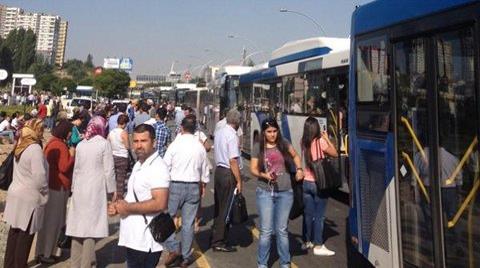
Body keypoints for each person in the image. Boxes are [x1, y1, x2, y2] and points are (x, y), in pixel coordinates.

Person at [110, 124, 170, 268]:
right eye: (136, 141)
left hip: (146, 240)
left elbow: (160, 203)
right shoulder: (139, 164)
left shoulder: (158, 168)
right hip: (134, 238)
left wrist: (128, 208)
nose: (139, 145)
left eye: (144, 141)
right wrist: (118, 206)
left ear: (154, 142)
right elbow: (133, 195)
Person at [250, 117, 303, 268]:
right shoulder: (258, 147)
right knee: (266, 231)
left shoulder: (284, 143)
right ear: (263, 132)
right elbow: (253, 169)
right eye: (269, 132)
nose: (272, 134)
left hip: (285, 192)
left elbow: (295, 156)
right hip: (265, 192)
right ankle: (262, 263)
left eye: (274, 131)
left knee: (282, 230)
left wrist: (299, 169)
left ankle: (285, 263)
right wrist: (264, 175)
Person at [65, 116, 116, 268]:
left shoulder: (81, 144)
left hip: (80, 187)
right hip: (96, 188)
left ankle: (76, 263)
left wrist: (73, 187)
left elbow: (77, 168)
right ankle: (88, 263)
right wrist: (112, 190)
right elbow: (109, 169)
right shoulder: (104, 144)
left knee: (78, 226)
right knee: (91, 228)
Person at [163, 115, 210, 267]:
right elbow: (205, 171)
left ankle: (173, 247)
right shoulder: (199, 147)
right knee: (188, 223)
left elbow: (165, 167)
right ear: (195, 129)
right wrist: (203, 186)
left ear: (182, 128)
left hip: (175, 185)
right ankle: (185, 256)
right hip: (193, 186)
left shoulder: (175, 145)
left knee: (168, 219)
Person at [3, 119, 48, 268]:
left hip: (16, 192)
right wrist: (45, 193)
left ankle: (9, 265)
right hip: (28, 197)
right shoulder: (34, 148)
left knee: (14, 233)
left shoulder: (21, 145)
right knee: (24, 237)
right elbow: (40, 177)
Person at [35, 119, 75, 263]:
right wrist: (72, 154)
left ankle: (41, 251)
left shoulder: (51, 142)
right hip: (57, 187)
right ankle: (48, 253)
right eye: (70, 132)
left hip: (50, 185)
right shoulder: (61, 146)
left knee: (46, 222)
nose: (71, 135)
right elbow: (64, 167)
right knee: (54, 222)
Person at [300, 116, 337, 256]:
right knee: (319, 216)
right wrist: (327, 138)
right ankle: (318, 244)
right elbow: (334, 153)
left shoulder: (303, 142)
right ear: (316, 128)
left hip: (306, 183)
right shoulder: (320, 142)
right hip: (319, 184)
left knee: (308, 215)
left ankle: (306, 241)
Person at [210, 109, 243, 252]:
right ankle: (219, 241)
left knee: (219, 206)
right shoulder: (232, 135)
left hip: (219, 171)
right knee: (226, 207)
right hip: (228, 173)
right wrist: (239, 180)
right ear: (238, 122)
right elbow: (233, 160)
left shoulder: (220, 132)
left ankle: (215, 233)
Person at [108, 114, 130, 198]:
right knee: (120, 179)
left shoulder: (111, 132)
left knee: (113, 177)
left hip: (113, 155)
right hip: (122, 157)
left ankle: (112, 195)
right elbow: (127, 146)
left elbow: (108, 142)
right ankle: (119, 197)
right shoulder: (123, 133)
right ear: (124, 123)